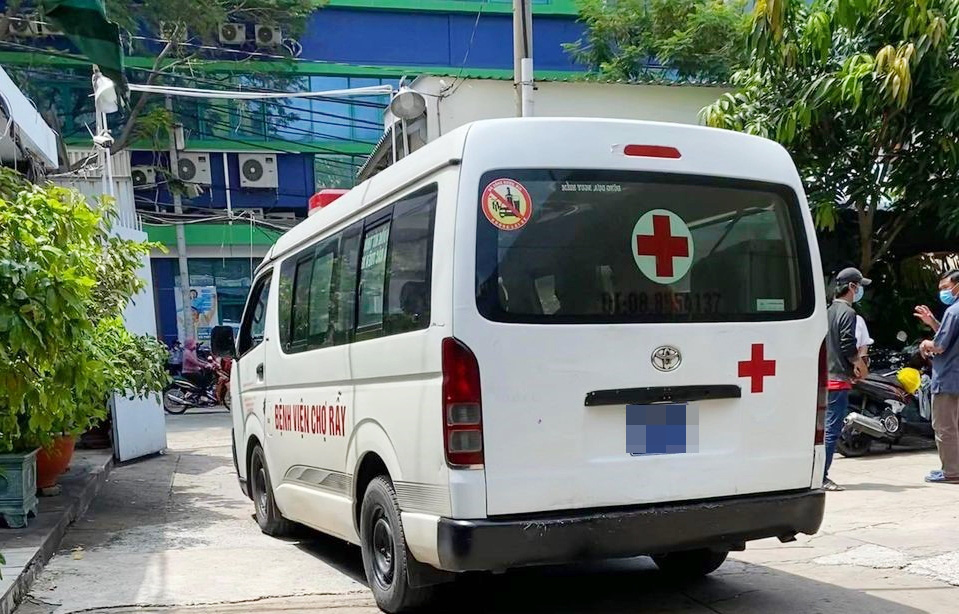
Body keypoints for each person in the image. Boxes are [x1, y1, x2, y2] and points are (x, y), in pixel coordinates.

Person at [823, 267, 871, 491]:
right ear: (851, 287)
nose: (859, 290)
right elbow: (847, 346)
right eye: (858, 286)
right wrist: (859, 366)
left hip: (825, 377)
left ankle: (817, 473)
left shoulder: (828, 310)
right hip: (838, 379)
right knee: (832, 430)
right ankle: (822, 476)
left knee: (822, 429)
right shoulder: (848, 313)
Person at [914, 269, 959, 484]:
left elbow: (940, 345)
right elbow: (948, 337)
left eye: (945, 288)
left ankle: (951, 472)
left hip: (948, 378)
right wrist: (932, 322)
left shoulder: (953, 311)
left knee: (944, 427)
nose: (943, 292)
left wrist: (925, 344)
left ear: (956, 286)